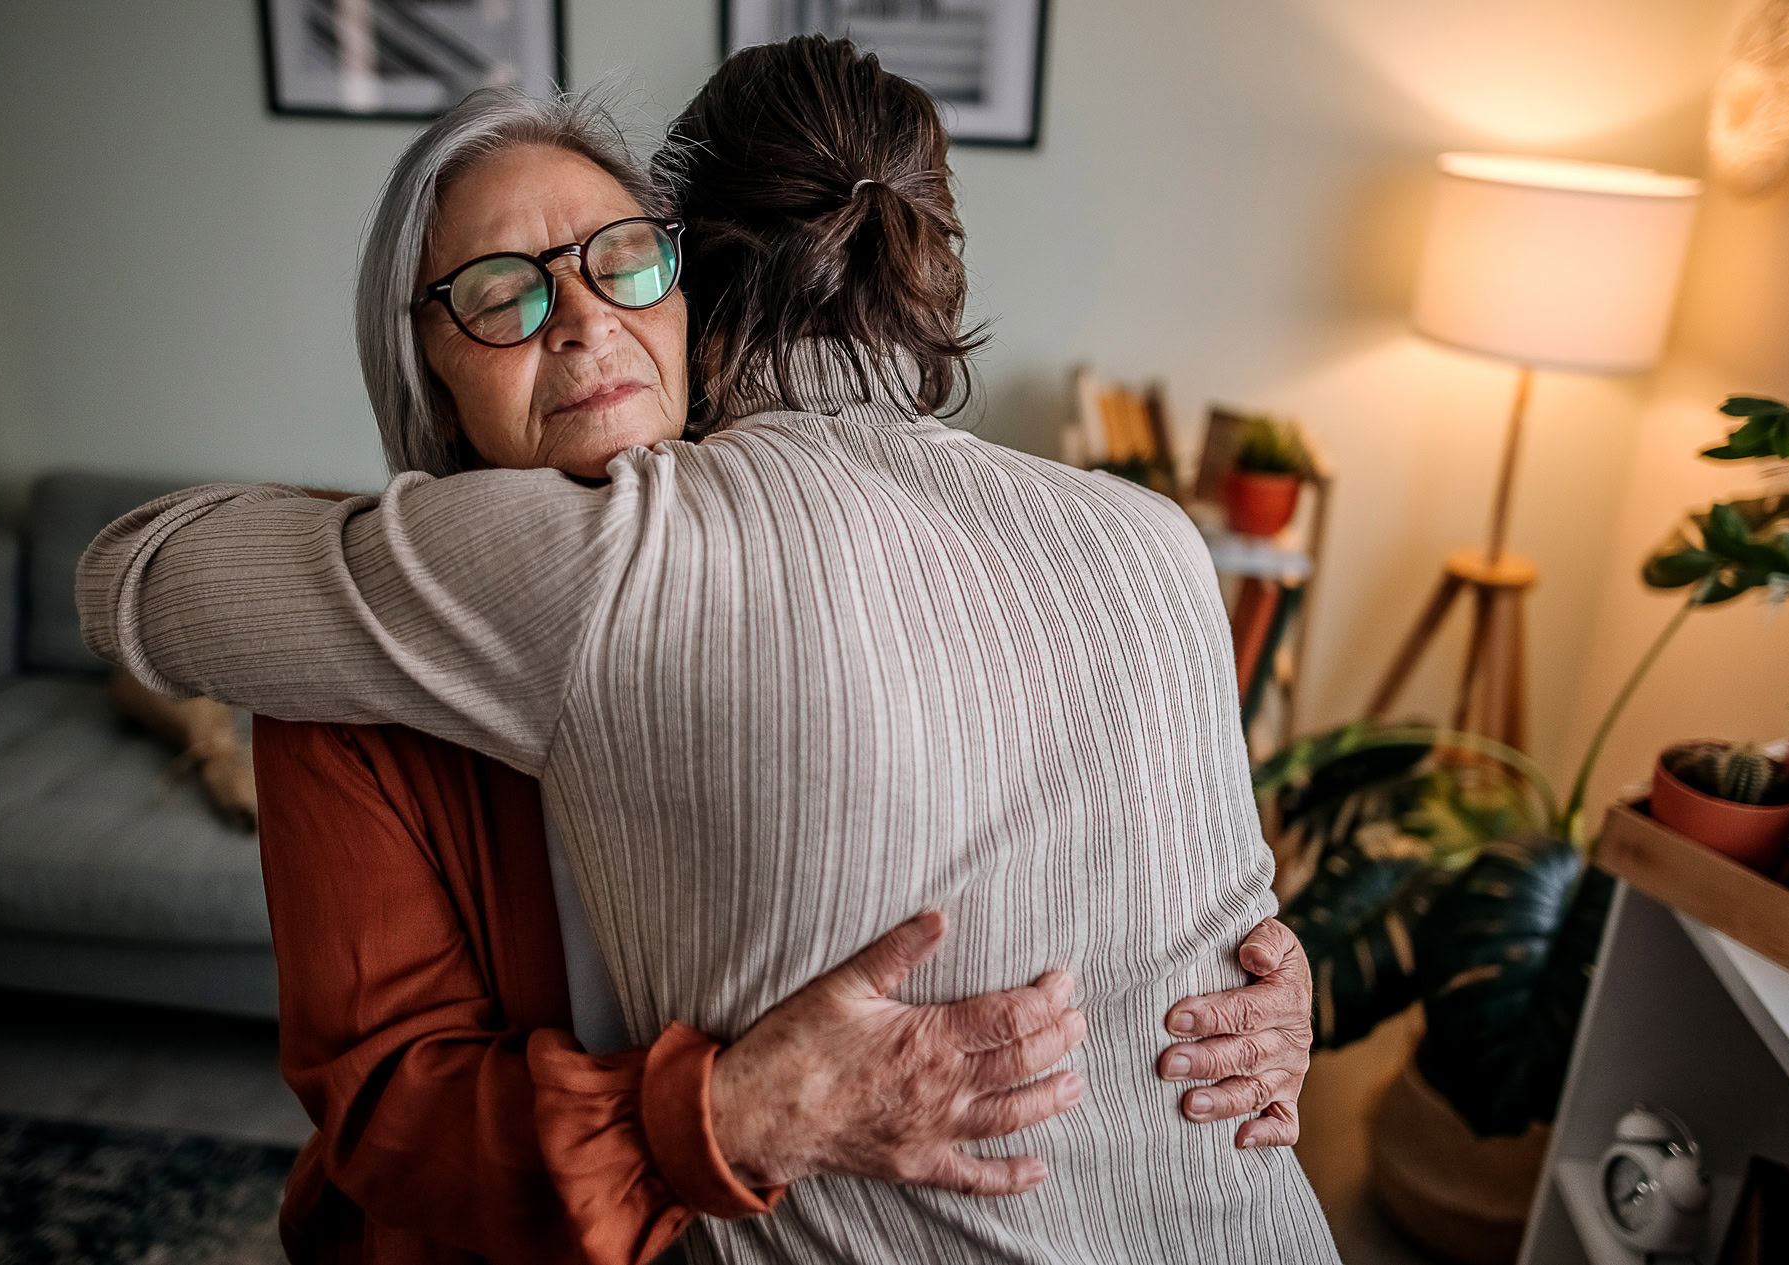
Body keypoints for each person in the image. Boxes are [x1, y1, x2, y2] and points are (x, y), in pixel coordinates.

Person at [80, 37, 1335, 1263]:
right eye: (500, 290)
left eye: (619, 259)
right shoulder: (334, 671)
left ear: (694, 289)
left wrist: (1247, 983)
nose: (578, 321)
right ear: (426, 368)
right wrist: (732, 1112)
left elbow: (1062, 915)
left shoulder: (774, 566)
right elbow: (390, 1118)